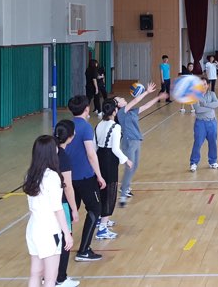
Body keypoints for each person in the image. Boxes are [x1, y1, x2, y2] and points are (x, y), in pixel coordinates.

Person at [24, 135, 72, 287]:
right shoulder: (52, 177)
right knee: (50, 278)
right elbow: (57, 209)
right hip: (49, 229)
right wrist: (67, 234)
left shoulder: (30, 175)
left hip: (33, 227)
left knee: (35, 272)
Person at [65, 95, 106, 262]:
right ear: (87, 109)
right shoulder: (86, 127)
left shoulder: (65, 125)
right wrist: (99, 175)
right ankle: (84, 250)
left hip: (67, 178)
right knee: (95, 209)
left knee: (68, 212)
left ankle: (62, 246)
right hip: (85, 177)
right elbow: (91, 154)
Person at [117, 83, 167, 205]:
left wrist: (158, 97)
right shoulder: (121, 113)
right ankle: (123, 193)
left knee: (135, 166)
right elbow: (135, 101)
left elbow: (145, 106)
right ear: (118, 105)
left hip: (137, 141)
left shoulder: (132, 112)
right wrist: (147, 92)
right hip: (128, 142)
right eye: (120, 99)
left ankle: (125, 186)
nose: (123, 98)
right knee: (130, 167)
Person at [95, 99, 133, 240]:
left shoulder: (99, 125)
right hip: (110, 160)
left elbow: (94, 145)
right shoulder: (115, 127)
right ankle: (102, 228)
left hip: (100, 157)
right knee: (110, 192)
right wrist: (126, 160)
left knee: (102, 189)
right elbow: (115, 149)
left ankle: (101, 219)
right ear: (115, 111)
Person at [53, 120, 81, 287]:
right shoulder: (63, 157)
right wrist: (74, 209)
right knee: (65, 240)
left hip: (47, 205)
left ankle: (49, 276)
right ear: (70, 136)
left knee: (52, 241)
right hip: (61, 204)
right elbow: (68, 187)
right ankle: (60, 278)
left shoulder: (48, 152)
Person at [189, 77, 218, 172]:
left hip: (212, 122)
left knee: (213, 142)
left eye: (204, 84)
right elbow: (198, 110)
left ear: (208, 85)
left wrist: (205, 104)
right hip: (200, 123)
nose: (203, 86)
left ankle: (213, 161)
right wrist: (211, 107)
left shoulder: (212, 94)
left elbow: (217, 104)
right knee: (198, 143)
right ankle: (193, 163)